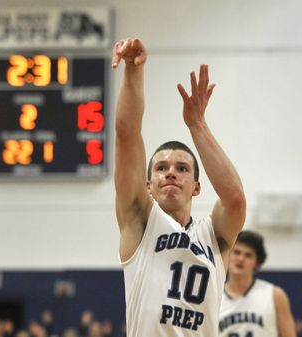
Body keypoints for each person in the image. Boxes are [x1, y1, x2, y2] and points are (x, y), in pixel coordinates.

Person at [112, 37, 246, 337]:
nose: (170, 173)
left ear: (196, 187)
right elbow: (126, 136)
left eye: (182, 168)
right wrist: (134, 70)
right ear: (148, 186)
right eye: (161, 168)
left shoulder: (213, 236)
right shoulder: (140, 223)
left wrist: (197, 124)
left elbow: (235, 199)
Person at [219, 230, 296, 337]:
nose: (241, 259)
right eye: (237, 252)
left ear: (257, 262)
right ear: (228, 255)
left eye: (248, 255)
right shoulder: (215, 297)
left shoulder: (275, 295)